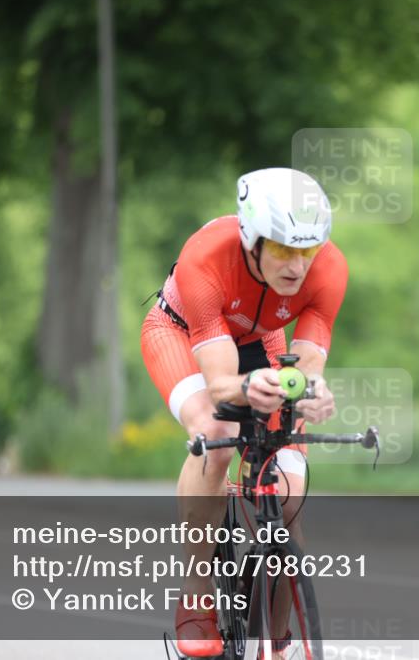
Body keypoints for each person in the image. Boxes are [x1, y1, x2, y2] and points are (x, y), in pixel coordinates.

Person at [140, 167, 348, 657]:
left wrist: (312, 391)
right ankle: (196, 596)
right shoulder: (205, 257)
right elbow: (219, 383)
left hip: (261, 342)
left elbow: (309, 362)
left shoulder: (330, 268)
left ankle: (275, 644)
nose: (297, 266)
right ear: (251, 238)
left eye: (308, 249)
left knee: (290, 494)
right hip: (182, 335)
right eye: (282, 248)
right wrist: (247, 387)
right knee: (215, 433)